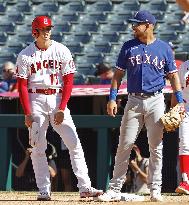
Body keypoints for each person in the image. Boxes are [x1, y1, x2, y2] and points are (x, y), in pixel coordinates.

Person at [97, 10, 184, 202]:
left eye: (137, 24)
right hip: (134, 100)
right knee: (124, 144)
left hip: (156, 100)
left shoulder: (163, 48)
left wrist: (180, 100)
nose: (133, 26)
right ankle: (114, 189)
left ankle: (155, 190)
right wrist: (112, 98)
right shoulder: (128, 46)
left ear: (149, 25)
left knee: (156, 147)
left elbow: (173, 77)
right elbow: (118, 76)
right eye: (134, 23)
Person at [16, 16, 102, 201]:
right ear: (35, 31)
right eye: (43, 29)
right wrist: (27, 112)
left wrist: (62, 107)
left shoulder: (61, 50)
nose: (46, 32)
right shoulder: (25, 55)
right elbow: (22, 85)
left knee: (74, 143)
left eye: (48, 29)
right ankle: (44, 190)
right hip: (35, 97)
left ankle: (85, 187)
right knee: (38, 147)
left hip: (56, 97)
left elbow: (69, 80)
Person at [171, 59, 189, 195]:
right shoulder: (185, 66)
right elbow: (177, 88)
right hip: (186, 109)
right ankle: (186, 182)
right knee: (184, 143)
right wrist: (173, 109)